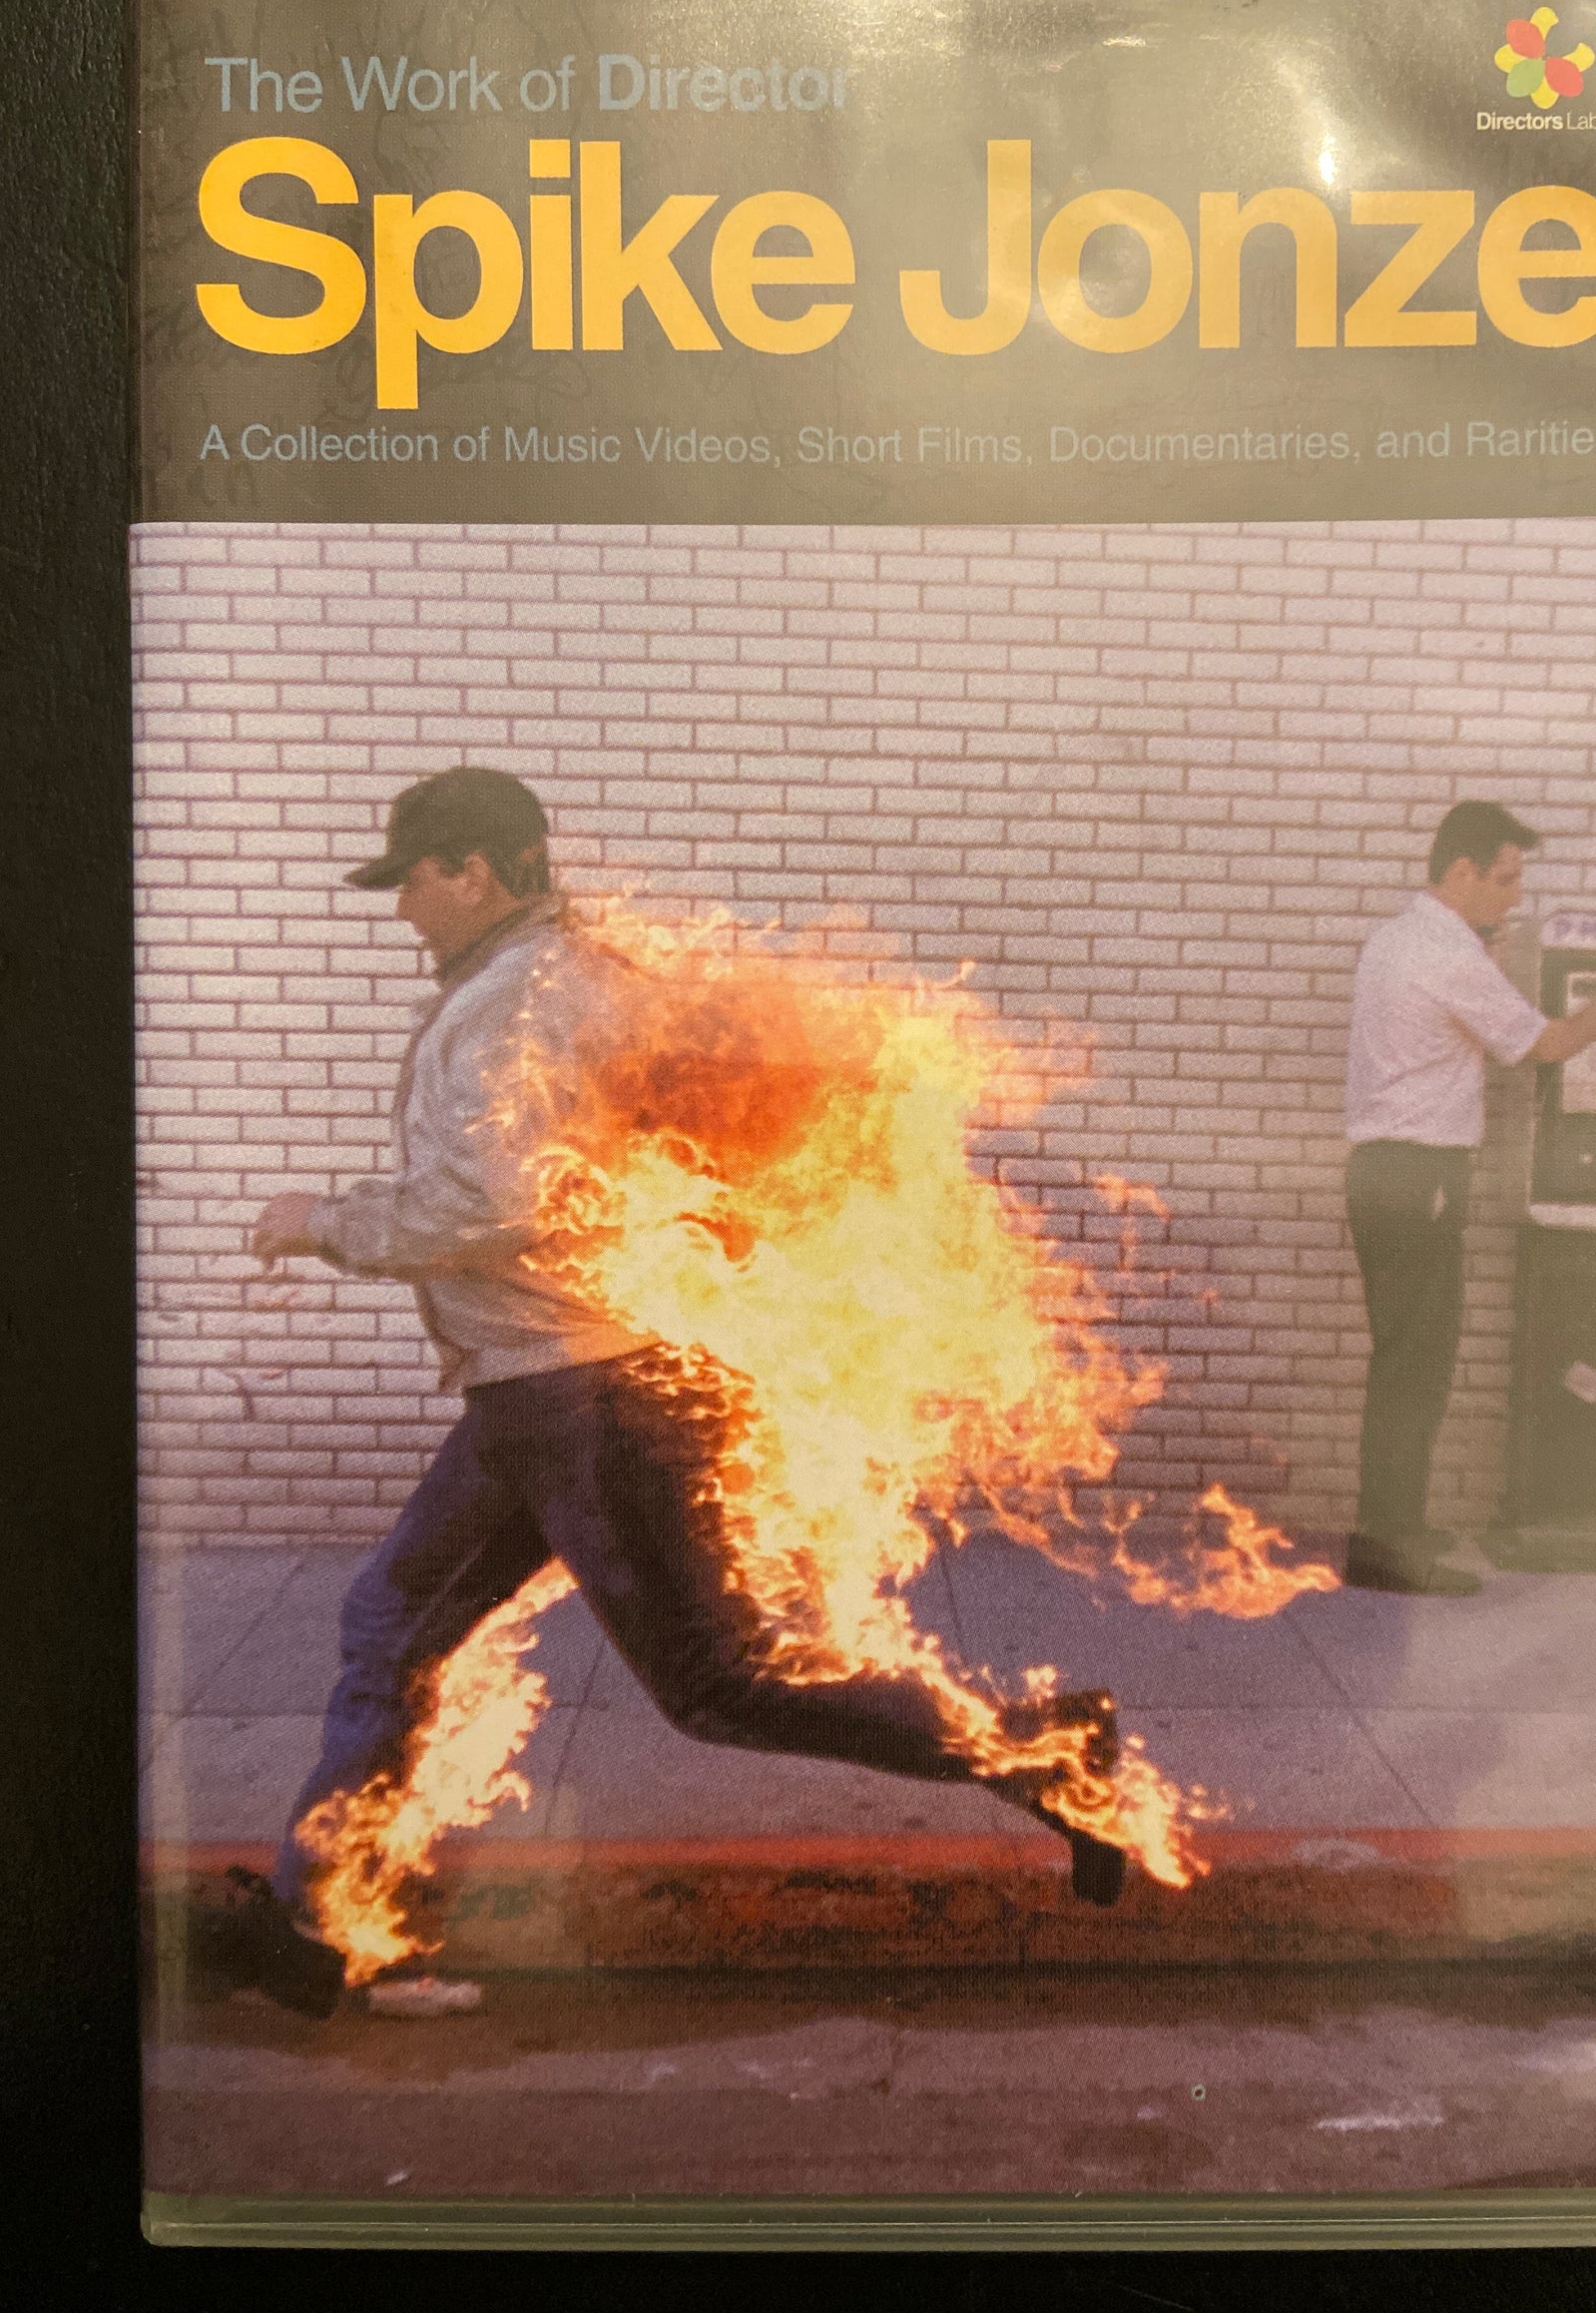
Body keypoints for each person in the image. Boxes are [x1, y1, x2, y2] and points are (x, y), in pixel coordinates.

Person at [215, 769, 1124, 2020]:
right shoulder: (579, 973)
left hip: (582, 1395)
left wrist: (324, 1221)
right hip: (554, 1388)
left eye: (411, 879)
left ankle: (1043, 1753)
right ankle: (316, 1922)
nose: (401, 906)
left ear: (474, 869)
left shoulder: (518, 1000)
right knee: (393, 1626)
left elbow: (490, 1201)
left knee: (718, 1683)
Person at [1340, 800, 1596, 1597]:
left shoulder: (1397, 938)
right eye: (1505, 878)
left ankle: (1396, 1523)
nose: (1515, 894)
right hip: (1423, 1175)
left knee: (1404, 1353)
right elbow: (1542, 1043)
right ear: (1463, 870)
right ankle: (1388, 1545)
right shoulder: (1451, 957)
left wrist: (1485, 959)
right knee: (1419, 1363)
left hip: (1382, 1170)